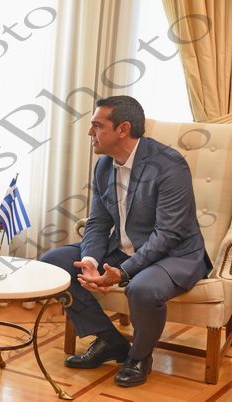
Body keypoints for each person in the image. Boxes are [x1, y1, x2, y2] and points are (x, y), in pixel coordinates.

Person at [41, 95, 211, 387]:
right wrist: (90, 261)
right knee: (53, 264)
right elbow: (98, 222)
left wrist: (123, 272)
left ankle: (139, 356)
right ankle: (110, 341)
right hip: (122, 249)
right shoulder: (104, 166)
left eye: (97, 125)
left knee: (142, 288)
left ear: (123, 129)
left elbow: (168, 234)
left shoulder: (169, 165)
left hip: (175, 255)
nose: (90, 132)